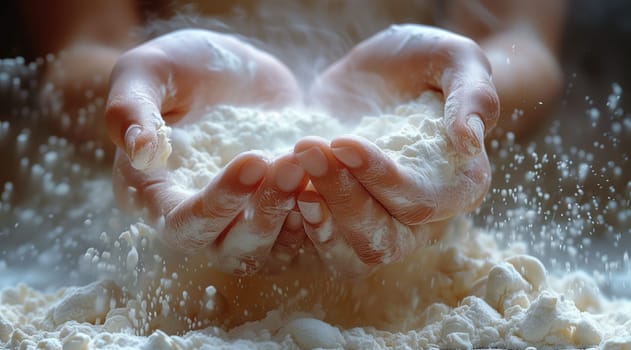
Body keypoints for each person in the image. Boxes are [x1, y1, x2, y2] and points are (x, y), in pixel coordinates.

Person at [18, 1, 565, 278]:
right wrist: (144, 102)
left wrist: (463, 99)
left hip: (436, 233)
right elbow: (80, 49)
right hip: (148, 242)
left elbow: (522, 39)